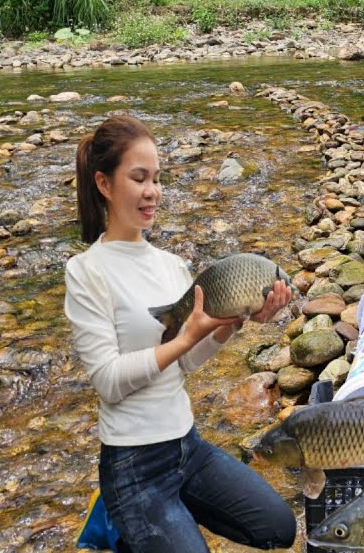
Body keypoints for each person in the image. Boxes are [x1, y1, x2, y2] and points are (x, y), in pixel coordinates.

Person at [65, 115, 296, 553]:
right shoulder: (86, 271)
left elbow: (185, 362)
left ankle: (156, 530)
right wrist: (185, 339)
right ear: (104, 183)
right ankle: (127, 522)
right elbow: (108, 381)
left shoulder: (171, 266)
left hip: (187, 449)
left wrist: (234, 321)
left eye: (156, 178)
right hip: (132, 463)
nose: (152, 191)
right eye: (138, 178)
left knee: (277, 528)